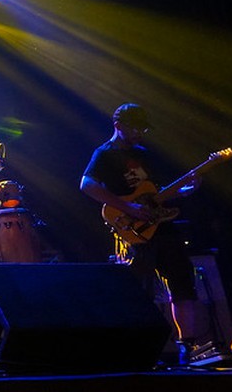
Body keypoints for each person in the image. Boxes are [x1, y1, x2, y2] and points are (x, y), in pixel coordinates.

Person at [80, 103, 203, 363]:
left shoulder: (144, 154)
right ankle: (139, 349)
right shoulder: (104, 154)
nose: (140, 133)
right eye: (135, 127)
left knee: (182, 282)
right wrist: (127, 207)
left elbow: (155, 194)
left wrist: (186, 191)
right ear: (119, 125)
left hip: (163, 227)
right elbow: (87, 184)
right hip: (135, 231)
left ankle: (187, 346)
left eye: (143, 128)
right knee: (140, 290)